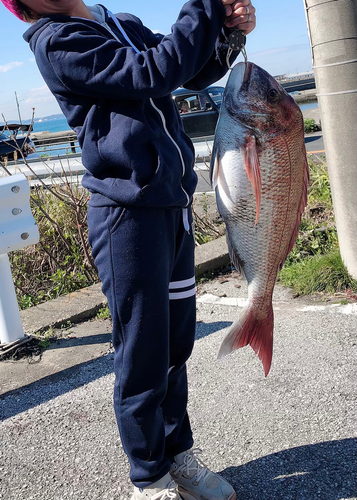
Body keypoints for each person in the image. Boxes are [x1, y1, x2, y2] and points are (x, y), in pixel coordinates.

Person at [1, 1, 256, 499]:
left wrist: (226, 36)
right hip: (126, 216)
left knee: (175, 345)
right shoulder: (57, 40)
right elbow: (152, 73)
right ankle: (149, 477)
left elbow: (189, 68)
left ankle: (178, 454)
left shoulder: (118, 21)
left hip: (171, 204)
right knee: (141, 353)